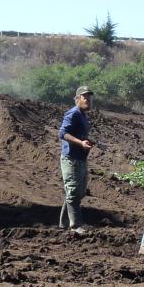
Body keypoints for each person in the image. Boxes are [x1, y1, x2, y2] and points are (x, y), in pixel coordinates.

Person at [59, 86, 95, 234]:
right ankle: (75, 226)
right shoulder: (73, 113)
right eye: (84, 97)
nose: (87, 99)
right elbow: (63, 133)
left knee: (78, 192)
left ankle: (64, 223)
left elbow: (77, 134)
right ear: (77, 99)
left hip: (80, 158)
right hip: (71, 158)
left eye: (89, 97)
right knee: (73, 191)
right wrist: (80, 143)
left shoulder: (82, 115)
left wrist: (86, 141)